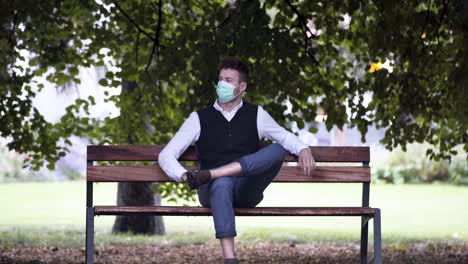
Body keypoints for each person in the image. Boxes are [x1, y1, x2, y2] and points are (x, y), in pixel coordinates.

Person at [158, 56, 316, 264]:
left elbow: (285, 137)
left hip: (245, 190)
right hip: (211, 191)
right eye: (221, 79)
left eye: (229, 80)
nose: (222, 84)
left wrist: (303, 149)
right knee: (222, 183)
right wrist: (184, 175)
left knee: (277, 150)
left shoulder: (257, 114)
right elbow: (166, 155)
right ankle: (230, 259)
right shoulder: (198, 119)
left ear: (242, 87)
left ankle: (214, 173)